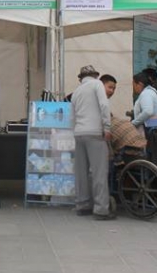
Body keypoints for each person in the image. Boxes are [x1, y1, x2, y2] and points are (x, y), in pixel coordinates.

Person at [70, 65, 114, 221]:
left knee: (81, 172)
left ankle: (82, 205)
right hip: (94, 132)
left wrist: (76, 130)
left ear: (81, 78)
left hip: (79, 133)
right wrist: (107, 126)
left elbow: (72, 116)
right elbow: (104, 105)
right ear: (95, 76)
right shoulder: (97, 85)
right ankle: (101, 209)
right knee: (99, 172)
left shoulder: (76, 91)